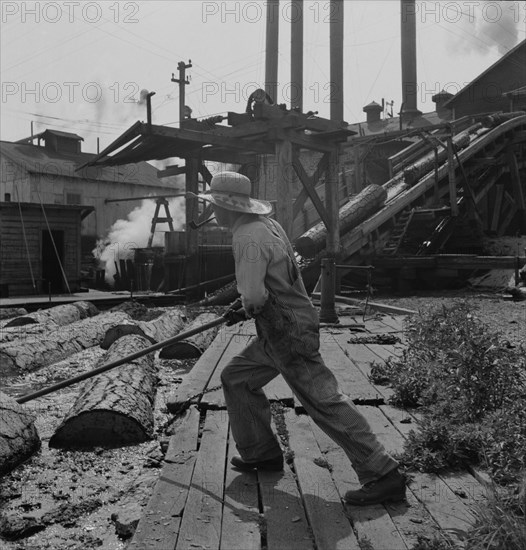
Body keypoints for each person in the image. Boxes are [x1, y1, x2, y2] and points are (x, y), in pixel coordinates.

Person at [194, 171, 406, 506]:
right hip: (285, 324)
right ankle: (260, 453)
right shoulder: (269, 227)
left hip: (286, 331)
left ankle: (382, 473)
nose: (213, 213)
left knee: (324, 401)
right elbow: (270, 278)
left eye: (215, 206)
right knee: (236, 378)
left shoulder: (246, 236)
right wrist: (246, 303)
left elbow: (253, 294)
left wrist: (245, 306)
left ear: (227, 207)